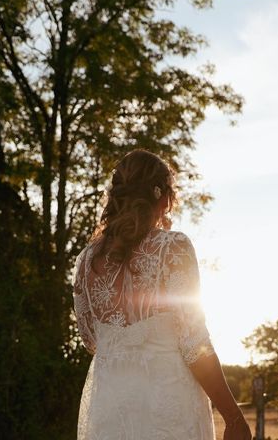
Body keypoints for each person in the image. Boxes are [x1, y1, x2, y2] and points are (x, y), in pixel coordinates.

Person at [71, 148, 252, 440]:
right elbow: (194, 343)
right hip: (168, 405)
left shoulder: (86, 261)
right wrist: (233, 417)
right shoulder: (173, 248)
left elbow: (91, 339)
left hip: (110, 407)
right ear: (165, 199)